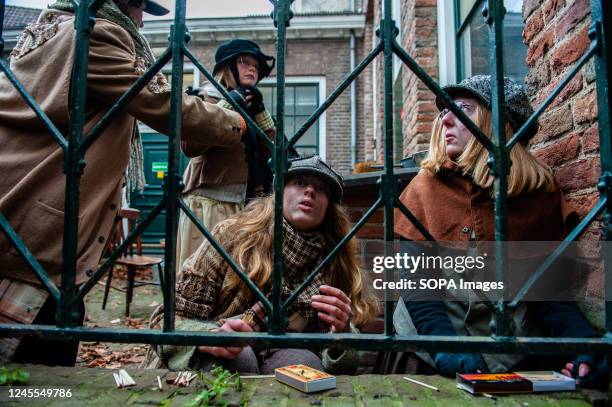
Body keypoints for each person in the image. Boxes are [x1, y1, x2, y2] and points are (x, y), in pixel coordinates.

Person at [0, 0, 248, 365]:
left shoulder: (45, 31)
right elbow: (165, 104)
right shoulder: (93, 34)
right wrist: (240, 124)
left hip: (18, 206)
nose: (143, 22)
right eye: (138, 8)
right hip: (40, 230)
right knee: (39, 367)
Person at [393, 75, 609, 388]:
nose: (445, 120)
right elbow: (417, 284)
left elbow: (547, 294)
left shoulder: (538, 194)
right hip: (427, 355)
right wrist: (445, 345)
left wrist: (584, 343)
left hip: (512, 358)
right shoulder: (423, 188)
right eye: (443, 112)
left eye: (462, 108)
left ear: (499, 123)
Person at [147, 155, 378, 374]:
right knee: (239, 356)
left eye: (321, 189)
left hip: (282, 352)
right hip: (219, 357)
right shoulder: (232, 237)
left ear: (329, 208)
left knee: (306, 363)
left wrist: (342, 334)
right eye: (299, 182)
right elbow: (163, 320)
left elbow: (342, 365)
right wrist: (208, 336)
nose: (310, 191)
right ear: (280, 191)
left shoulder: (335, 260)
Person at [177, 39, 280, 275]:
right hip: (210, 201)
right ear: (227, 67)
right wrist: (227, 105)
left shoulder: (253, 104)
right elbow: (190, 146)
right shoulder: (204, 98)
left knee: (236, 278)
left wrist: (260, 112)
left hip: (249, 204)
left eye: (256, 64)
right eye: (245, 62)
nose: (252, 68)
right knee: (203, 273)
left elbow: (272, 155)